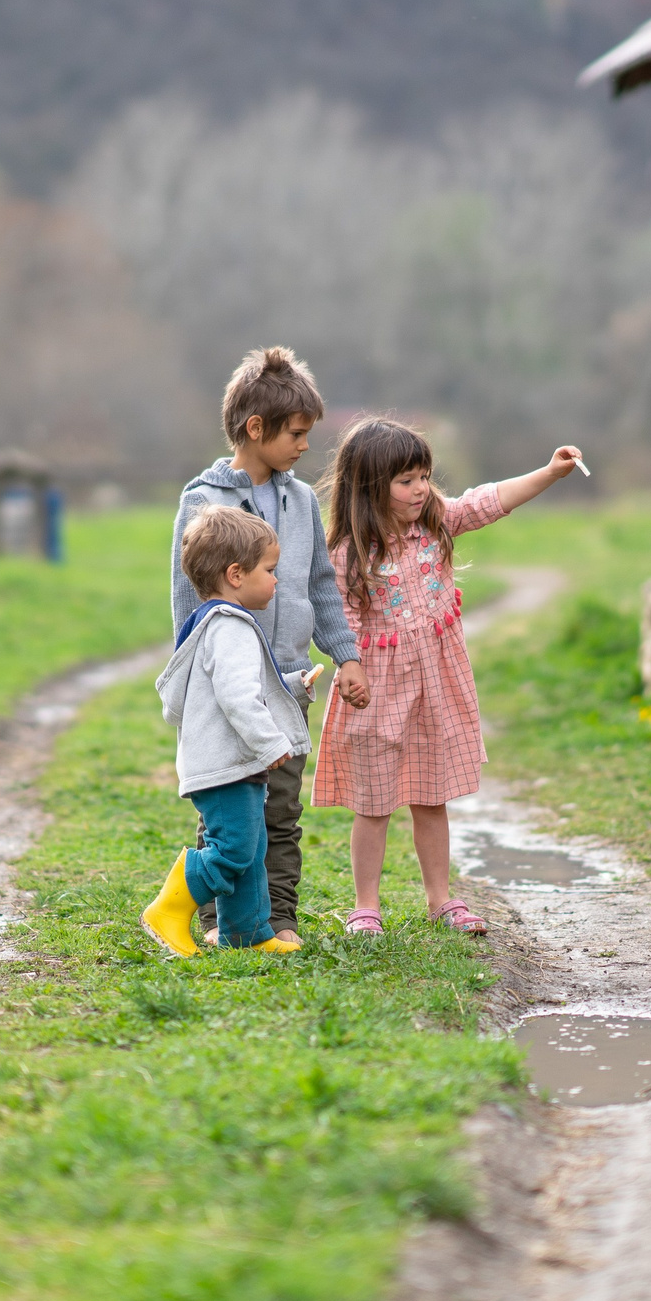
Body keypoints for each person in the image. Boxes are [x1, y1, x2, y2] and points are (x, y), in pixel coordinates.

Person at [313, 417, 585, 934]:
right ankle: (365, 906)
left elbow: (488, 501)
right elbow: (339, 617)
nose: (420, 490)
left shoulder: (434, 523)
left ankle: (442, 900)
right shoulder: (349, 552)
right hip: (378, 690)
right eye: (406, 481)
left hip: (435, 686)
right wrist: (348, 666)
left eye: (424, 477)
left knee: (430, 796)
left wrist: (549, 473)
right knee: (373, 804)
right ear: (369, 487)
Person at [169, 347, 369, 949]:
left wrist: (346, 655)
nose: (306, 445)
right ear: (256, 429)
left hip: (285, 685)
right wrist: (192, 685)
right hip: (225, 689)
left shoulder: (304, 501)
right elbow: (186, 602)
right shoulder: (202, 502)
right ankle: (214, 921)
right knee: (230, 814)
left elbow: (320, 587)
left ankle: (276, 923)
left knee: (280, 814)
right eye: (297, 434)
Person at [145, 507, 310, 957]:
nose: (276, 581)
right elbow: (238, 698)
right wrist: (271, 744)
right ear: (236, 574)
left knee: (252, 851)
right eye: (270, 570)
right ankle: (168, 907)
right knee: (235, 849)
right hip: (227, 765)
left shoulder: (209, 623)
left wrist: (293, 687)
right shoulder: (232, 627)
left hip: (229, 763)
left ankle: (247, 933)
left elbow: (236, 688)